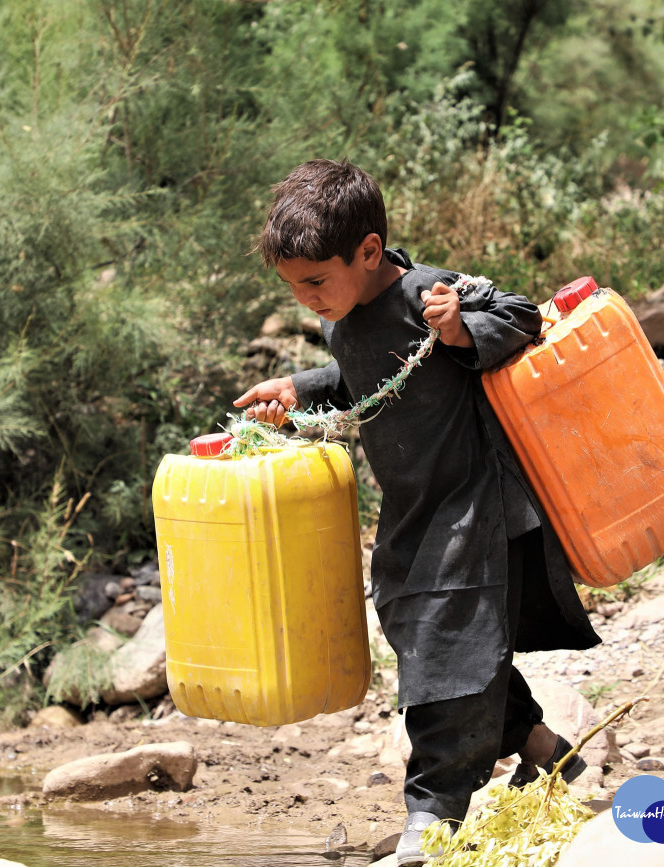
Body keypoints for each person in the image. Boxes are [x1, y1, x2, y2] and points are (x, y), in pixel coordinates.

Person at [233, 159, 600, 866]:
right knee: (418, 632)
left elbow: (521, 315)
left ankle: (432, 814)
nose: (307, 299)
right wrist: (299, 389)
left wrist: (461, 328)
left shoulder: (425, 292)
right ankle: (543, 747)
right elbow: (363, 379)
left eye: (316, 281)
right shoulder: (344, 317)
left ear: (369, 251)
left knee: (446, 652)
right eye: (293, 287)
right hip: (415, 513)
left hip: (475, 505)